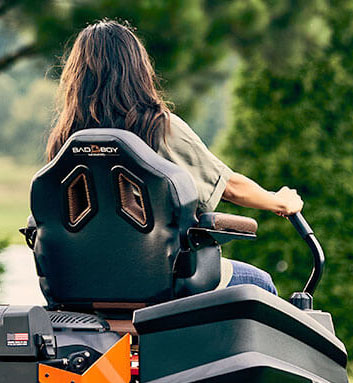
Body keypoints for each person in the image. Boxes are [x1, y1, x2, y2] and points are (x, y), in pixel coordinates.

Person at [46, 19, 303, 294]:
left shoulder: (65, 139)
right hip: (160, 276)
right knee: (259, 283)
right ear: (137, 70)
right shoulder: (159, 127)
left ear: (76, 76)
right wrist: (279, 201)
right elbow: (228, 187)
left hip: (83, 279)